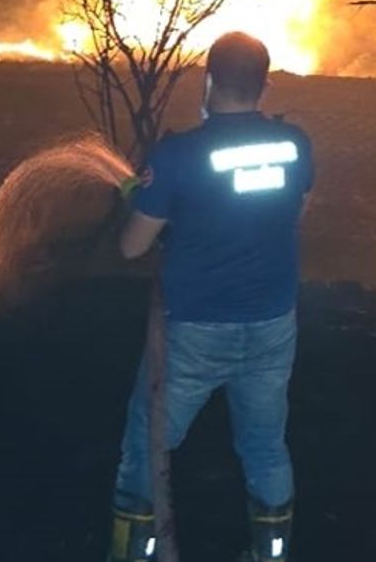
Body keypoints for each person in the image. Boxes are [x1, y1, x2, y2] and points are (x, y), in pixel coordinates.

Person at [108, 31, 313, 562]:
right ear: (265, 84)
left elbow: (133, 248)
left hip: (195, 333)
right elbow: (289, 213)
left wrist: (143, 201)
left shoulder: (179, 155)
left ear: (209, 80)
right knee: (266, 447)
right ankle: (270, 556)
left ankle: (137, 553)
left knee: (146, 448)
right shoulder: (294, 145)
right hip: (273, 326)